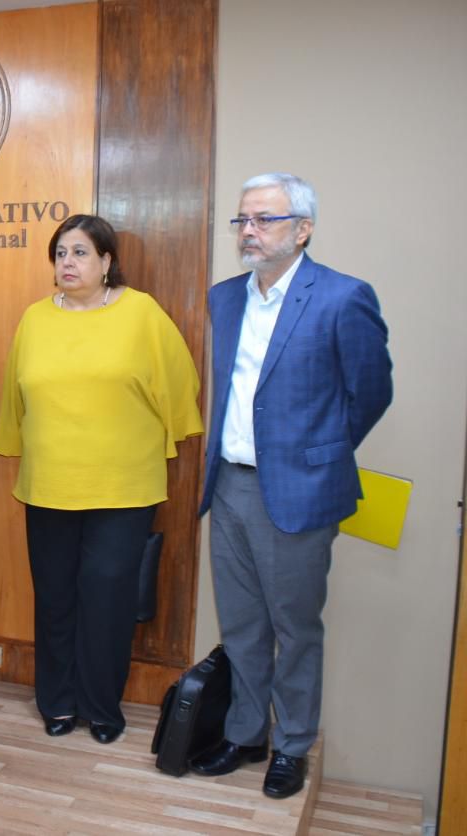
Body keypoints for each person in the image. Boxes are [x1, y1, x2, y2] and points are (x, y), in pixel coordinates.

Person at [191, 173, 392, 799]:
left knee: (296, 628)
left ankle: (293, 744)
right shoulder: (224, 298)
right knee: (243, 625)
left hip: (299, 492)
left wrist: (316, 457)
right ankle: (247, 734)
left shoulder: (341, 297)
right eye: (243, 220)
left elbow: (371, 392)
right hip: (229, 488)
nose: (250, 231)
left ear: (302, 229)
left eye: (266, 219)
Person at [0, 214, 202, 744]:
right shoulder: (35, 319)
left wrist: (173, 435)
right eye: (60, 252)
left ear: (107, 262)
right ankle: (57, 702)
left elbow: (180, 383)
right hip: (50, 484)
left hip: (123, 486)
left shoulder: (142, 313)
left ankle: (102, 707)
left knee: (107, 600)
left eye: (81, 252)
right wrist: (13, 444)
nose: (68, 262)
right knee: (55, 596)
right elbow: (14, 396)